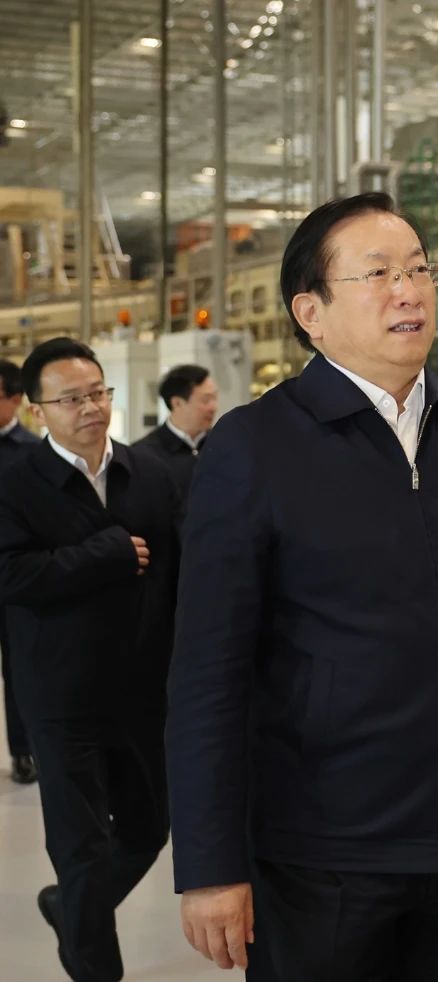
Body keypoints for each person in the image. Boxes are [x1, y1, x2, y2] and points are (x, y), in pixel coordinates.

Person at [166, 192, 438, 982]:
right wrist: (210, 864)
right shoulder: (254, 447)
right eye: (378, 273)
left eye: (419, 270)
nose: (408, 291)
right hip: (319, 853)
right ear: (311, 313)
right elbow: (207, 673)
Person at [0, 338, 180, 982]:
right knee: (80, 847)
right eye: (71, 399)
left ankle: (68, 909)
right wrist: (105, 555)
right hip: (60, 695)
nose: (91, 408)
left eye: (98, 393)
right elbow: (11, 574)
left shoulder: (149, 473)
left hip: (141, 690)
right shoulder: (15, 482)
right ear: (38, 410)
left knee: (147, 831)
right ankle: (96, 967)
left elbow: (179, 573)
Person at [0, 357, 41, 785]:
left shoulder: (31, 453)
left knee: (18, 668)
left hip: (14, 574)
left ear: (15, 399)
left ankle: (24, 749)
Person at [133, 364, 219, 499]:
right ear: (177, 403)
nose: (213, 407)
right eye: (206, 400)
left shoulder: (224, 444)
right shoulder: (143, 455)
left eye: (215, 398)